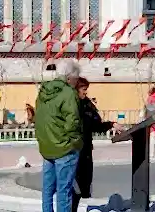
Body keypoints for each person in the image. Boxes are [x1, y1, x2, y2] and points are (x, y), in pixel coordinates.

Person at [35, 60, 83, 212]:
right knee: (64, 191)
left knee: (47, 190)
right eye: (76, 79)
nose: (77, 82)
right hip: (64, 148)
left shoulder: (43, 91)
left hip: (47, 147)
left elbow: (39, 118)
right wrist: (76, 143)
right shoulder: (68, 93)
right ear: (69, 77)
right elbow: (73, 122)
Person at [69, 78, 122, 212]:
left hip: (85, 150)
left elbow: (96, 125)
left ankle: (79, 207)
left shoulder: (88, 105)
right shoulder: (68, 105)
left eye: (86, 90)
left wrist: (111, 124)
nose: (85, 93)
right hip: (71, 150)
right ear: (76, 89)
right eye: (83, 90)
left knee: (85, 184)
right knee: (72, 185)